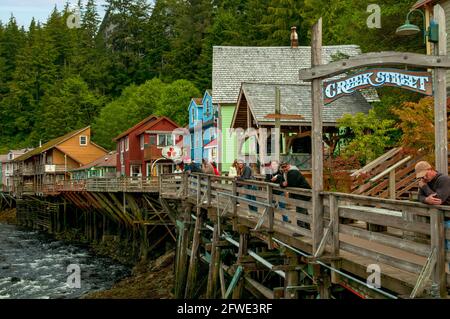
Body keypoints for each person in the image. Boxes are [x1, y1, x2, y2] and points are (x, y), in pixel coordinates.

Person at [280, 162, 311, 228]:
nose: (284, 168)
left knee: (300, 212)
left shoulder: (292, 172)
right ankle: (307, 227)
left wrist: (282, 184)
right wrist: (284, 183)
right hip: (303, 194)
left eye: (285, 166)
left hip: (302, 194)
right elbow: (286, 182)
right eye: (283, 167)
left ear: (289, 165)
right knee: (304, 212)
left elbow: (291, 184)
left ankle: (301, 230)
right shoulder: (288, 172)